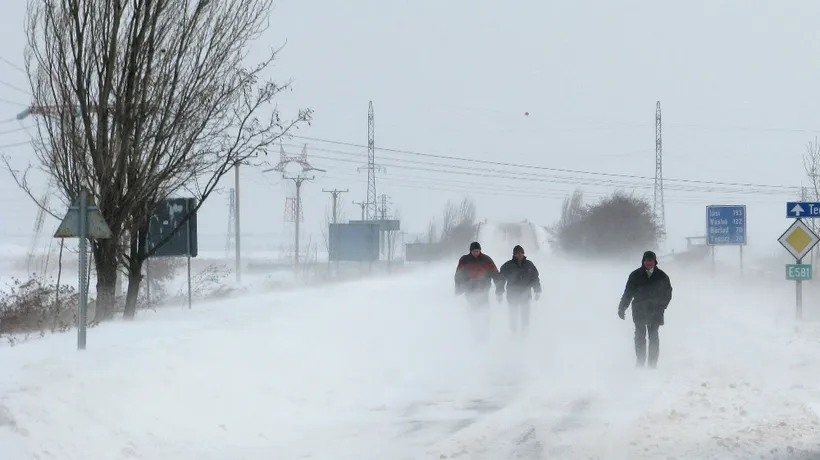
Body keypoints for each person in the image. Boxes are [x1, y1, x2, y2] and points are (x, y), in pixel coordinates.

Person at [617, 250, 673, 369]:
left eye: (651, 261)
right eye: (647, 261)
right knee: (639, 336)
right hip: (639, 310)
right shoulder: (635, 275)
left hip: (656, 311)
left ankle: (652, 365)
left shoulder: (662, 276)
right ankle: (640, 362)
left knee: (653, 336)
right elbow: (628, 293)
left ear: (655, 262)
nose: (649, 263)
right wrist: (622, 308)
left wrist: (661, 306)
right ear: (643, 261)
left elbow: (668, 293)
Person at [454, 241, 501, 339]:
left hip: (483, 290)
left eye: (478, 251)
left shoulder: (486, 260)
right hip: (470, 290)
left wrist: (499, 289)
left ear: (480, 250)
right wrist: (459, 289)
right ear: (471, 251)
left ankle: (485, 334)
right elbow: (458, 275)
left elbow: (495, 274)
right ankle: (475, 333)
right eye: (474, 251)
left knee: (484, 312)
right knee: (473, 312)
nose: (476, 253)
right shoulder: (464, 260)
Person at [497, 245, 541, 334]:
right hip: (512, 294)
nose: (519, 255)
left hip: (526, 293)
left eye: (521, 253)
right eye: (517, 253)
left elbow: (535, 278)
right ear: (514, 254)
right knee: (513, 313)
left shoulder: (529, 264)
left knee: (525, 313)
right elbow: (501, 279)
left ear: (523, 253)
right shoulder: (508, 266)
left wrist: (537, 291)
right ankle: (513, 332)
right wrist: (499, 292)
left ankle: (525, 332)